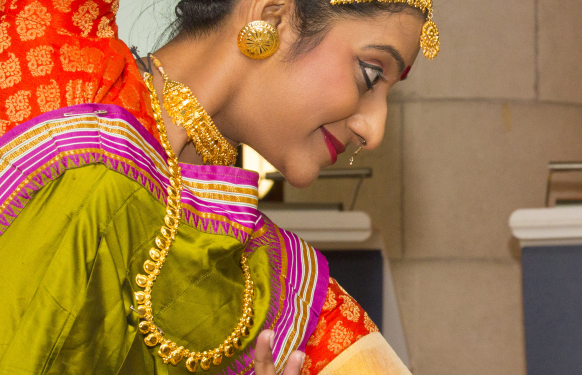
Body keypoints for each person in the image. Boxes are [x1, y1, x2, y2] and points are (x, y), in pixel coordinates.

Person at [0, 0, 438, 374]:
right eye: (370, 73)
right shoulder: (44, 53)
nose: (374, 129)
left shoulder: (289, 303)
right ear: (273, 14)